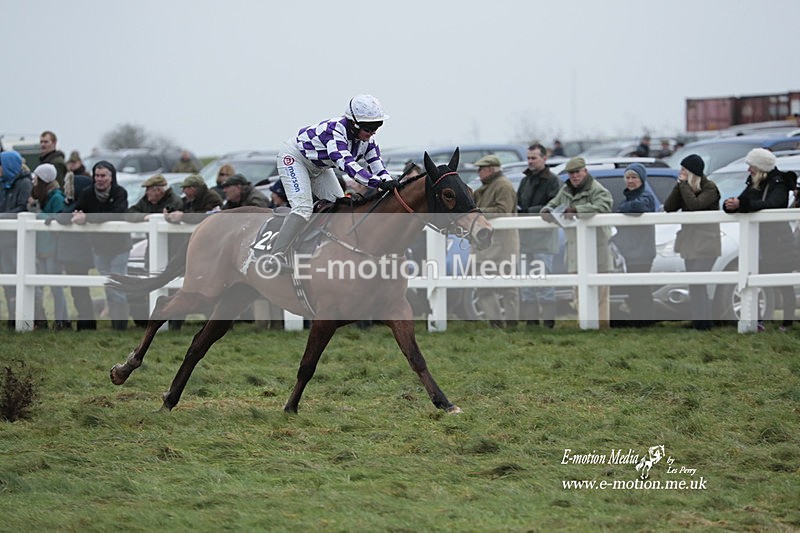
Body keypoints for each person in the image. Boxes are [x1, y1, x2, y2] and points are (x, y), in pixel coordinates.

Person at [267, 94, 397, 273]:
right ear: (354, 124)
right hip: (295, 159)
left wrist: (390, 182)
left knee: (340, 207)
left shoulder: (368, 141)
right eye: (369, 128)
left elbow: (378, 166)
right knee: (303, 208)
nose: (373, 132)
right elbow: (349, 167)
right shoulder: (334, 132)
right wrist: (378, 184)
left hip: (319, 167)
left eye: (377, 126)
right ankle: (276, 255)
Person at [722, 148, 799, 332]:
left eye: (751, 166)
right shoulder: (755, 182)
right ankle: (757, 321)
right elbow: (745, 201)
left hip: (779, 241)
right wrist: (731, 206)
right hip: (760, 241)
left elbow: (774, 204)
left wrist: (744, 205)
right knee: (755, 282)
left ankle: (787, 323)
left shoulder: (778, 183)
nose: (748, 170)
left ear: (761, 167)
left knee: (784, 284)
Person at [541, 157, 613, 328]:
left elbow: (604, 205)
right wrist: (547, 210)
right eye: (571, 173)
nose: (574, 176)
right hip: (575, 250)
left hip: (598, 249)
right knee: (578, 292)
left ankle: (602, 327)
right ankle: (585, 325)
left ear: (585, 171)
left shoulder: (597, 189)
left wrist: (577, 210)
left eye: (577, 172)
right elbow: (553, 204)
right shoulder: (565, 190)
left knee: (601, 293)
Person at [69, 161, 131, 331]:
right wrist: (80, 215)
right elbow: (79, 210)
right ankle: (114, 324)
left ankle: (120, 328)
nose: (100, 179)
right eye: (97, 175)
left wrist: (88, 218)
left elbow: (116, 214)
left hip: (120, 247)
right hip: (99, 247)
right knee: (108, 287)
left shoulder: (120, 193)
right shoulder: (87, 193)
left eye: (103, 175)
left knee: (117, 287)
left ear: (111, 177)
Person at [663, 154, 721, 330]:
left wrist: (683, 186)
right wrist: (678, 187)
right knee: (694, 284)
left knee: (698, 281)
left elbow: (695, 205)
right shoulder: (685, 187)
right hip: (689, 244)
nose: (680, 173)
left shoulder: (710, 188)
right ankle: (700, 321)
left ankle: (703, 323)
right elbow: (669, 207)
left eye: (683, 170)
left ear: (692, 172)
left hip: (706, 244)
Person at [472, 154, 519, 328]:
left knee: (508, 288)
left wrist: (477, 212)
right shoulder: (486, 187)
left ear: (491, 169)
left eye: (481, 169)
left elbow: (503, 211)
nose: (478, 172)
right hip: (486, 246)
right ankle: (496, 323)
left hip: (503, 246)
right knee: (483, 287)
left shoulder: (503, 186)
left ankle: (511, 323)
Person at [516, 143, 560, 327]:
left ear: (544, 158)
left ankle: (549, 322)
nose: (530, 161)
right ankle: (532, 321)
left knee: (544, 280)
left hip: (543, 238)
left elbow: (553, 204)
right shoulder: (525, 181)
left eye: (534, 157)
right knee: (527, 283)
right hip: (525, 239)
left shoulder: (552, 180)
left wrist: (526, 211)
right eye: (528, 158)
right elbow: (518, 202)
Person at [612, 163, 657, 327]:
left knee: (642, 288)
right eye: (628, 177)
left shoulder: (646, 195)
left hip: (642, 251)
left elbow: (640, 207)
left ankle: (645, 320)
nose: (630, 181)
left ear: (642, 179)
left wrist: (622, 209)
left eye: (634, 177)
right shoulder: (630, 197)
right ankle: (637, 319)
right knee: (634, 288)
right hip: (630, 252)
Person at [56, 164, 96, 331]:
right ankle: (85, 322)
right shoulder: (72, 205)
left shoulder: (79, 207)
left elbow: (62, 218)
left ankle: (86, 323)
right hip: (73, 254)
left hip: (78, 255)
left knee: (80, 290)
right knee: (78, 290)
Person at [30, 164, 69, 330]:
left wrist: (38, 215)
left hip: (52, 250)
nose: (33, 181)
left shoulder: (56, 197)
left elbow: (59, 219)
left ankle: (62, 321)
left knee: (56, 287)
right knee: (44, 286)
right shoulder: (46, 197)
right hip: (43, 249)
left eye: (36, 178)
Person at [0, 151, 33, 326]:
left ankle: (25, 319)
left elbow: (22, 209)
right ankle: (12, 318)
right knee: (7, 282)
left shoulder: (24, 183)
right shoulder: (3, 183)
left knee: (20, 281)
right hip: (4, 240)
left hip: (17, 242)